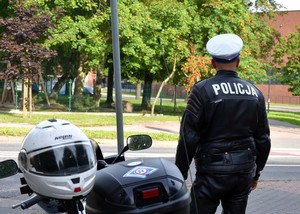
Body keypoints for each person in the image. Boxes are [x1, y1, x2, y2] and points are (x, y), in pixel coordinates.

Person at [175, 34, 271, 214]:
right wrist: (256, 174)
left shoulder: (201, 90)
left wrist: (179, 174)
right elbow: (263, 139)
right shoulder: (255, 93)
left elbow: (189, 137)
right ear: (239, 61)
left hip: (211, 171)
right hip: (242, 173)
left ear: (213, 63)